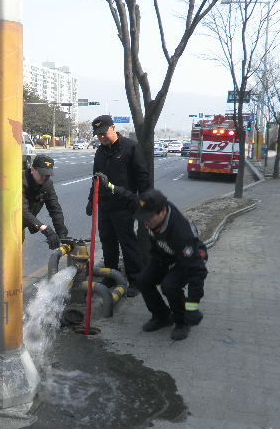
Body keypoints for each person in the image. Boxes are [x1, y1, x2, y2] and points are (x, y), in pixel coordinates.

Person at [86, 115, 150, 297]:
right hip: (105, 205)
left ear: (113, 128)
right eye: (98, 135)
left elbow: (142, 177)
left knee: (127, 243)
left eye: (104, 133)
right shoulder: (100, 152)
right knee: (108, 242)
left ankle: (136, 280)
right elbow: (95, 179)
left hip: (124, 205)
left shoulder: (130, 147)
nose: (101, 137)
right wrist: (91, 200)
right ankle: (111, 275)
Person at [133, 189, 208, 341]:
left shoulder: (181, 233)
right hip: (166, 256)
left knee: (169, 285)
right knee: (142, 280)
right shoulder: (153, 219)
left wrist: (193, 306)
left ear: (162, 212)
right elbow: (157, 245)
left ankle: (182, 321)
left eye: (148, 218)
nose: (146, 222)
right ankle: (162, 316)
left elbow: (198, 271)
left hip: (188, 259)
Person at [23, 154, 68, 249]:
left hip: (20, 224)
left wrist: (62, 234)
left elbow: (55, 209)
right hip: (4, 222)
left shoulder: (47, 184)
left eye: (47, 175)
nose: (44, 178)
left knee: (15, 252)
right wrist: (44, 229)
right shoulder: (20, 181)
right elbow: (22, 210)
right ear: (32, 170)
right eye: (42, 174)